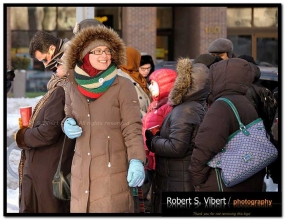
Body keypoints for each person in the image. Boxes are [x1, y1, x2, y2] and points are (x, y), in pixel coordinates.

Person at [61, 25, 146, 213]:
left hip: (111, 171)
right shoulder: (71, 84)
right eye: (97, 51)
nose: (104, 55)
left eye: (107, 51)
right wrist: (66, 123)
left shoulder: (122, 85)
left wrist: (136, 160)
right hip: (81, 171)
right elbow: (68, 112)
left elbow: (132, 127)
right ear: (84, 55)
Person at [189, 58, 265, 192]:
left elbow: (206, 146)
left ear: (220, 78)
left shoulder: (221, 106)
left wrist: (197, 177)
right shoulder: (246, 102)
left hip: (222, 182)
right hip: (248, 178)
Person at [145, 58, 209, 213]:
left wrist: (153, 140)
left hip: (177, 180)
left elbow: (176, 147)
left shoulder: (186, 110)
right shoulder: (197, 106)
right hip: (181, 177)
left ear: (186, 82)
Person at [15, 58, 75, 213]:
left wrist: (23, 136)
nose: (56, 66)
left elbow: (48, 132)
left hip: (48, 169)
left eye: (61, 63)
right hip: (45, 168)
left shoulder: (61, 90)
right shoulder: (59, 88)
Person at [141, 68, 177, 211]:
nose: (150, 87)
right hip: (150, 158)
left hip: (158, 159)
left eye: (153, 84)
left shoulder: (167, 107)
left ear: (165, 85)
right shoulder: (155, 104)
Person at [117, 46, 152, 118]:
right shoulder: (120, 78)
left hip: (145, 122)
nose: (138, 62)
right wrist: (148, 119)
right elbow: (127, 106)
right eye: (136, 59)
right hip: (135, 123)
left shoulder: (138, 76)